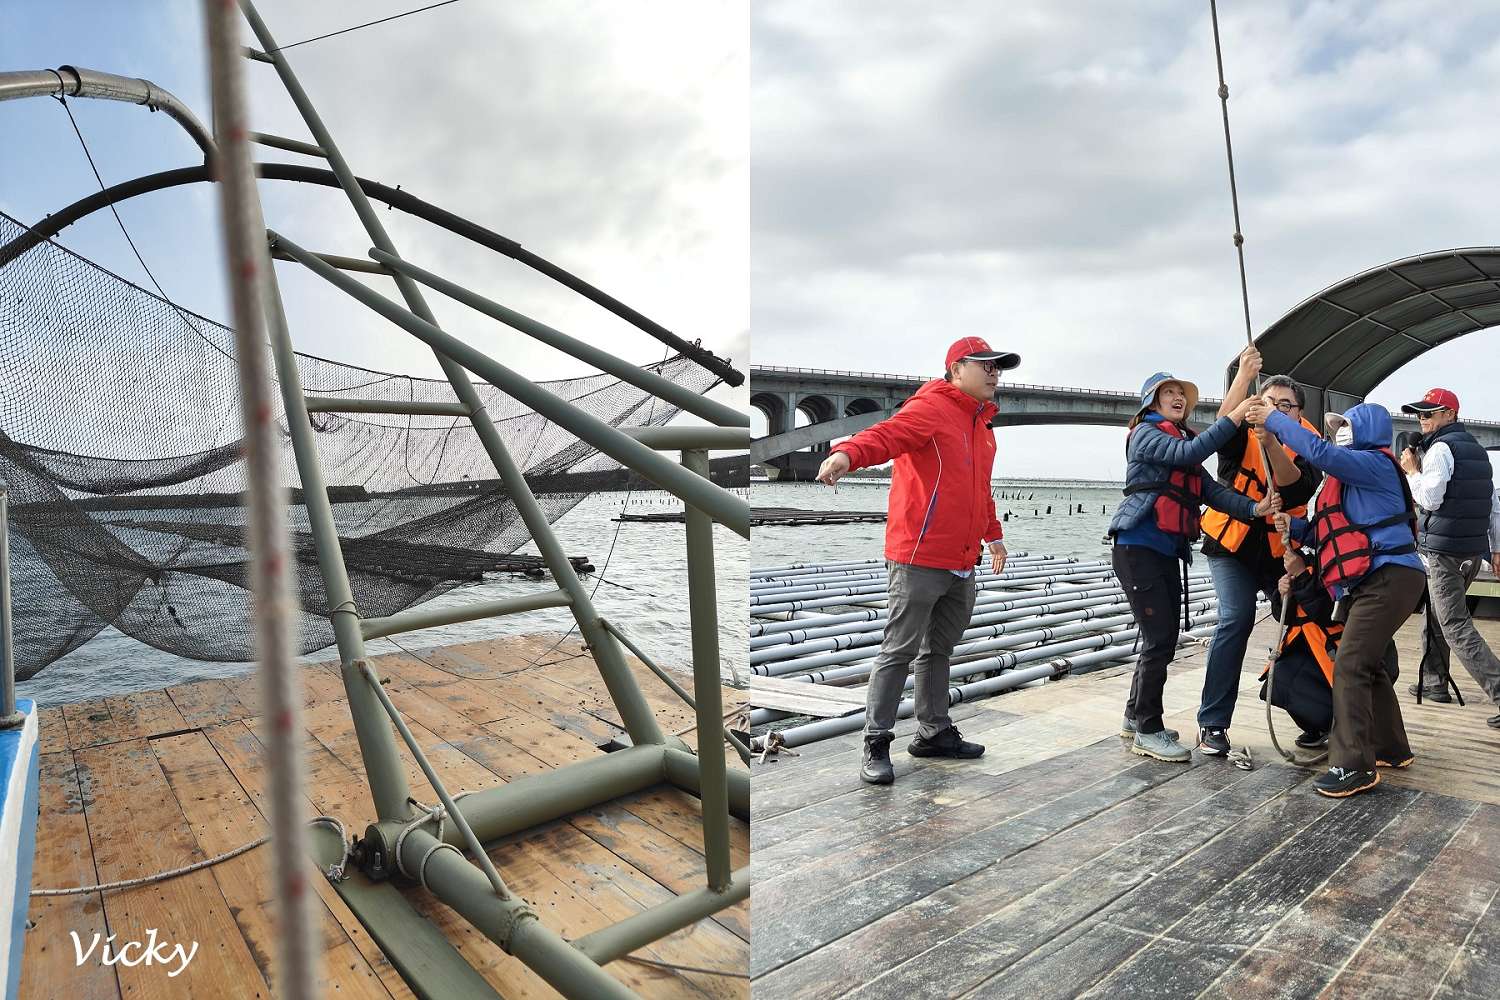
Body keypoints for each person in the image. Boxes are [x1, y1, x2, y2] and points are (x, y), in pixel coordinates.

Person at [815, 336, 1019, 785]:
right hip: (918, 556)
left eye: (997, 366)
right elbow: (886, 436)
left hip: (962, 559)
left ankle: (933, 732)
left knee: (938, 651)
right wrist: (846, 454)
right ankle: (876, 741)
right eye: (983, 364)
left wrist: (995, 538)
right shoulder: (930, 408)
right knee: (898, 650)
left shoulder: (982, 429)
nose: (993, 372)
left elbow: (980, 490)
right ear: (955, 368)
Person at [1254, 401, 1424, 797]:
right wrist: (1290, 526)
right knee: (1370, 662)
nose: (1339, 433)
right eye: (1337, 427)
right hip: (1370, 581)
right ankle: (1390, 748)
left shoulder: (1375, 464)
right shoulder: (1350, 480)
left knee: (1349, 663)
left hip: (1390, 576)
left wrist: (1272, 420)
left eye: (1346, 426)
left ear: (1366, 430)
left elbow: (1318, 452)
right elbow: (1321, 532)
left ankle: (1353, 767)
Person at [1107, 372, 1277, 763]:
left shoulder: (1180, 439)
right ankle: (1149, 730)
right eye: (1169, 393)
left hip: (1167, 551)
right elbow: (1191, 455)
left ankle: (1135, 718)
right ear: (1151, 402)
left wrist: (1254, 508)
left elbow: (1212, 491)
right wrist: (1234, 415)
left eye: (1181, 394)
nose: (1178, 398)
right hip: (1137, 547)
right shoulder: (1147, 435)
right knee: (1160, 639)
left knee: (1159, 639)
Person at [1196, 346, 1323, 758]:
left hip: (1278, 550)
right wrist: (1243, 376)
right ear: (1258, 403)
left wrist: (1271, 442)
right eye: (1272, 403)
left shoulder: (1309, 443)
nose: (1280, 410)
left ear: (1299, 414)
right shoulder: (1240, 427)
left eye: (1288, 406)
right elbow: (1220, 426)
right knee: (1236, 618)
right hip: (1229, 545)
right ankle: (1212, 723)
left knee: (1303, 619)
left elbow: (1296, 487)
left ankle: (1317, 716)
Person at [1397, 388, 1500, 729]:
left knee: (1454, 624)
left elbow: (1430, 498)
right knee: (1437, 613)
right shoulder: (1477, 451)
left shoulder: (1441, 448)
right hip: (1470, 551)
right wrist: (1494, 548)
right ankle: (1434, 681)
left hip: (1445, 552)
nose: (1422, 419)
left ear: (1450, 414)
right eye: (1420, 414)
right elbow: (1492, 506)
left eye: (1429, 413)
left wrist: (1412, 471)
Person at [1260, 542, 1403, 762]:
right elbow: (1285, 617)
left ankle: (1341, 729)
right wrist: (1281, 594)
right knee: (1279, 681)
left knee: (1347, 689)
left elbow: (1325, 612)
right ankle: (1319, 728)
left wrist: (1301, 576)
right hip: (1309, 647)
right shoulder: (1302, 564)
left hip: (1344, 651)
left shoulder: (1347, 566)